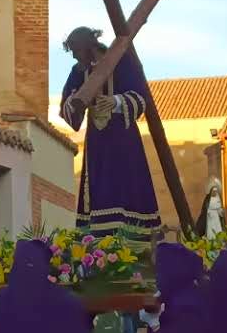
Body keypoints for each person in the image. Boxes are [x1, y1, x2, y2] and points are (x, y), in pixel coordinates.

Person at [60, 26, 161, 249]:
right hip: (97, 142)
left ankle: (134, 244)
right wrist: (76, 101)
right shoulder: (78, 71)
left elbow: (140, 96)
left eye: (76, 50)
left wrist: (115, 102)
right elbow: (66, 105)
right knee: (98, 188)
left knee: (127, 185)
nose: (75, 56)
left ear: (87, 46)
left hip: (124, 140)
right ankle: (98, 248)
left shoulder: (121, 62)